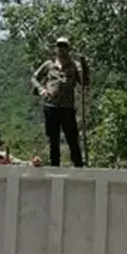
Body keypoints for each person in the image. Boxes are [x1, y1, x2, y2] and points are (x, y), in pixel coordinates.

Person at [32, 37, 88, 168]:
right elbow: (35, 78)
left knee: (72, 138)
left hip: (67, 107)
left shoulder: (74, 66)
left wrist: (84, 65)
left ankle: (78, 166)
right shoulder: (49, 65)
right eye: (59, 46)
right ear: (55, 48)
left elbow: (84, 82)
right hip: (51, 106)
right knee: (53, 139)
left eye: (64, 47)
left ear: (68, 49)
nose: (61, 49)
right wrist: (42, 89)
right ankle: (54, 166)